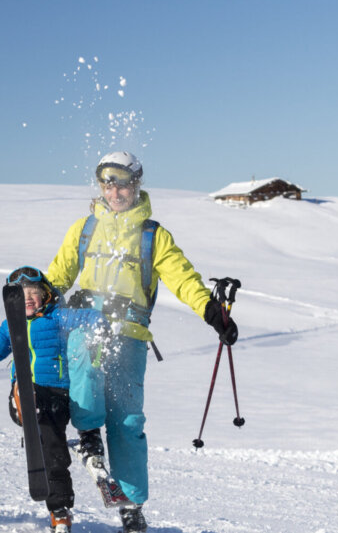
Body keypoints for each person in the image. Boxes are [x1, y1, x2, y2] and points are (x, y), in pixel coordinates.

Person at [46, 151, 239, 533]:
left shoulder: (153, 236)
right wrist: (35, 295)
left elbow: (182, 277)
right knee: (85, 356)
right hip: (85, 324)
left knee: (128, 422)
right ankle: (88, 435)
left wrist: (210, 310)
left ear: (136, 185)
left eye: (122, 184)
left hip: (131, 335)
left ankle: (131, 505)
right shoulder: (84, 229)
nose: (115, 191)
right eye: (108, 183)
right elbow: (58, 276)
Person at [0, 266, 109, 533]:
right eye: (21, 294)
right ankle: (24, 401)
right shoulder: (10, 326)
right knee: (29, 392)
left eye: (33, 292)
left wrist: (100, 330)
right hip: (27, 392)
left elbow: (92, 318)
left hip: (59, 397)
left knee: (53, 452)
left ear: (46, 295)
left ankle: (60, 511)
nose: (28, 298)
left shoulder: (58, 316)